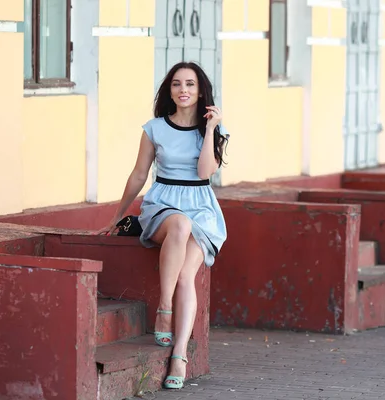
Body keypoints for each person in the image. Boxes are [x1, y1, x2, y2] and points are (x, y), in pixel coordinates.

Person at [98, 61, 229, 390]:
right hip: (162, 205)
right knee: (180, 224)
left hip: (202, 208)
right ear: (169, 90)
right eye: (176, 84)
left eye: (190, 84)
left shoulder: (213, 131)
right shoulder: (155, 128)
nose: (183, 90)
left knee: (188, 275)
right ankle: (165, 307)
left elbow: (203, 174)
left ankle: (179, 355)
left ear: (201, 92)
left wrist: (211, 129)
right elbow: (139, 175)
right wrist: (116, 216)